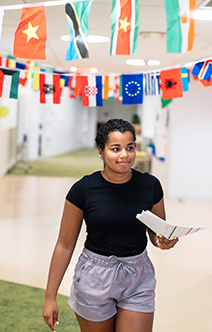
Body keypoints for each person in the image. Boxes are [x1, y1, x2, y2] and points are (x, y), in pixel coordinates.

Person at [42, 118, 178, 332]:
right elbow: (64, 245)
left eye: (130, 147)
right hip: (95, 277)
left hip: (138, 277)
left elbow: (155, 231)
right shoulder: (83, 190)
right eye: (116, 149)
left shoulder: (150, 185)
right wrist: (50, 296)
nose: (124, 154)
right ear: (101, 151)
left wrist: (161, 240)